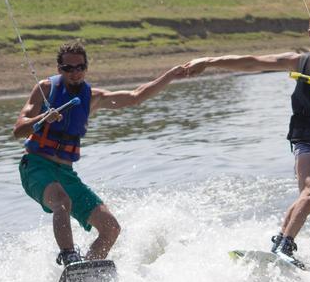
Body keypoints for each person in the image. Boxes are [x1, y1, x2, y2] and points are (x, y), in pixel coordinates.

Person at [183, 11, 310, 267]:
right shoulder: (298, 61)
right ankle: (284, 245)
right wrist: (210, 60)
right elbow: (252, 62)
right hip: (309, 144)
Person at [14, 40, 185, 267]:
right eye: (68, 68)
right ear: (59, 69)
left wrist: (171, 75)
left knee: (111, 228)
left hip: (65, 173)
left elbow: (136, 96)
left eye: (80, 67)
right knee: (61, 201)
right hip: (36, 167)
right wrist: (42, 118)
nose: (75, 73)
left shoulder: (93, 97)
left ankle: (85, 270)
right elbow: (19, 129)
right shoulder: (46, 89)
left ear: (86, 67)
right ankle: (69, 256)